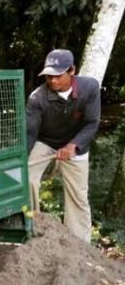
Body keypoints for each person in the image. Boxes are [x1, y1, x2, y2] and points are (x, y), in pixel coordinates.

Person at [26, 49, 100, 243]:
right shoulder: (37, 98)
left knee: (78, 196)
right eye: (49, 76)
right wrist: (20, 159)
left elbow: (92, 123)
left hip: (76, 143)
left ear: (72, 70)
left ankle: (80, 244)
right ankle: (32, 226)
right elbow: (30, 133)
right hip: (46, 141)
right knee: (27, 178)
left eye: (58, 76)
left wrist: (73, 146)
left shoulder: (90, 88)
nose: (53, 81)